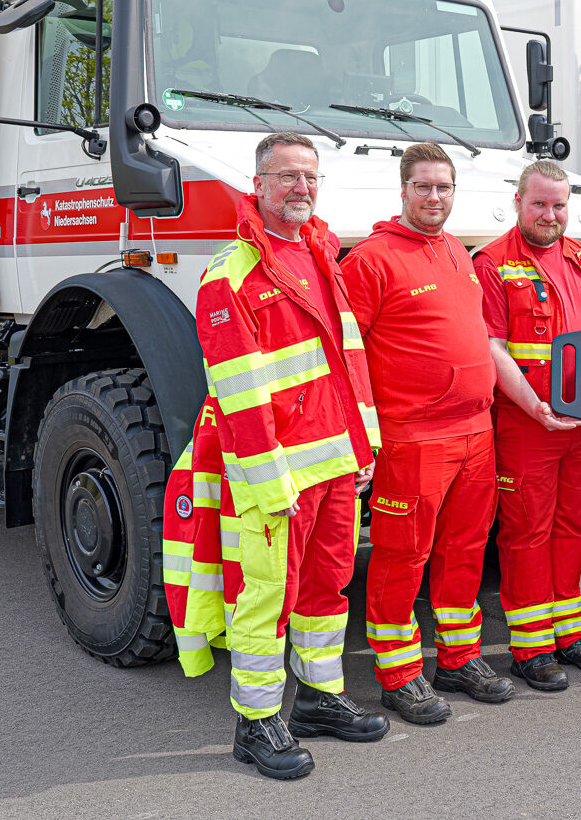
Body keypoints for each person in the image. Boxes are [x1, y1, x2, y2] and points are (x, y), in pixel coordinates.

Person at [163, 132, 388, 781]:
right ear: (257, 186)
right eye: (286, 176)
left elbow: (347, 363)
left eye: (309, 176)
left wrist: (362, 445)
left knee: (326, 589)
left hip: (334, 465)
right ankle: (255, 723)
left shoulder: (321, 253)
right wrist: (269, 479)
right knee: (264, 597)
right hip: (278, 476)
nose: (301, 187)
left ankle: (318, 699)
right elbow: (237, 393)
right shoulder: (229, 274)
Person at [340, 142, 514, 724]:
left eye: (444, 188)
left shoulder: (457, 254)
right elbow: (347, 354)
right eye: (424, 187)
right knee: (401, 556)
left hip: (475, 435)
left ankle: (459, 658)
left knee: (464, 550)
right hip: (412, 439)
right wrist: (362, 433)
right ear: (404, 190)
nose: (434, 197)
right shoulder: (370, 260)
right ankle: (399, 675)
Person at [473, 160, 581, 691]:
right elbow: (491, 348)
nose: (550, 215)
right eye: (539, 203)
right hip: (525, 423)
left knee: (571, 527)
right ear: (518, 202)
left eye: (559, 205)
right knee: (526, 532)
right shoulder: (492, 263)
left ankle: (570, 634)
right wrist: (536, 406)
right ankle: (532, 647)